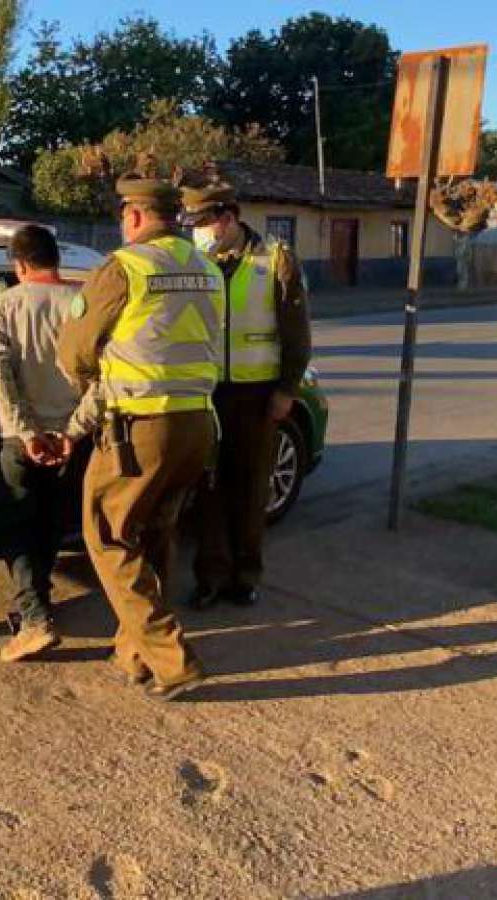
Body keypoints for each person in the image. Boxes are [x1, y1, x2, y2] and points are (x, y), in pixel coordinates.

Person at [57, 175, 224, 699]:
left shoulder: (125, 267)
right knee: (153, 536)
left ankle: (173, 660)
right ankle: (135, 652)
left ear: (132, 217)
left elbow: (75, 353)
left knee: (105, 536)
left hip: (141, 428)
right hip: (197, 423)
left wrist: (95, 385)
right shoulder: (206, 266)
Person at [181, 183, 312, 608]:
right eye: (195, 225)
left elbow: (296, 332)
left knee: (251, 488)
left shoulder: (275, 259)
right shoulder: (194, 261)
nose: (201, 232)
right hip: (207, 392)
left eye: (205, 223)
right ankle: (210, 578)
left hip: (258, 394)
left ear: (229, 217)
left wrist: (286, 390)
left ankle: (245, 575)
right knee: (208, 489)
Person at [0, 224, 99, 663]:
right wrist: (71, 432)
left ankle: (34, 618)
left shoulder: (3, 307)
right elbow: (100, 376)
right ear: (56, 259)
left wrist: (26, 433)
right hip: (71, 437)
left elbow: (0, 376)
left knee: (18, 525)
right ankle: (39, 602)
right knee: (51, 522)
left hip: (20, 440)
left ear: (19, 264)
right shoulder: (82, 304)